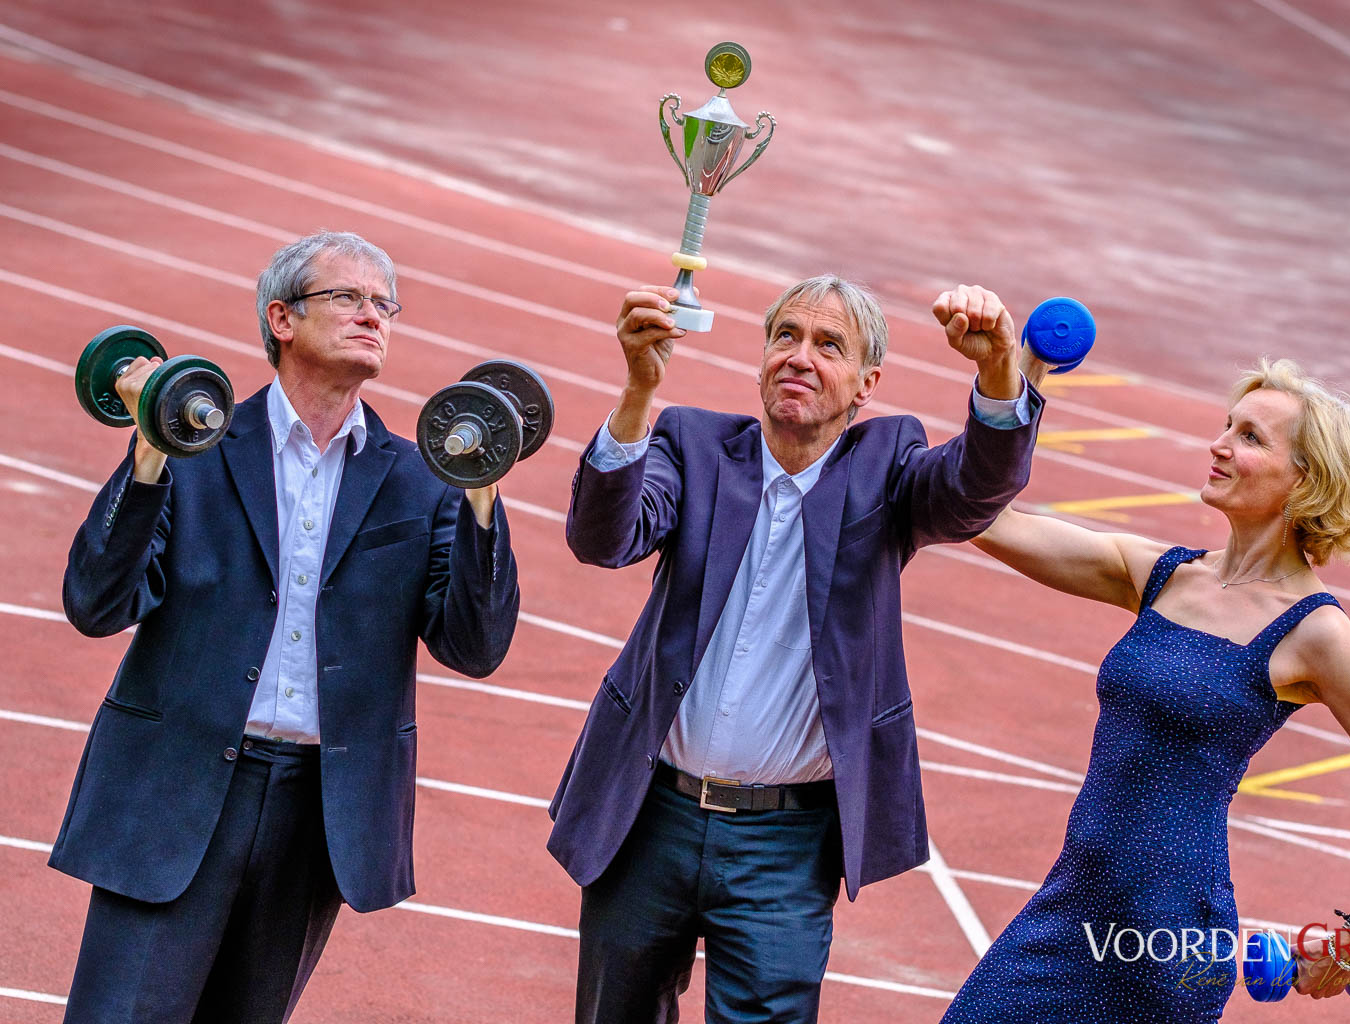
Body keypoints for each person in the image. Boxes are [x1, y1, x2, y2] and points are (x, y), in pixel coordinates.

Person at [53, 231, 521, 1023]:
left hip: (318, 813)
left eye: (384, 304)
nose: (373, 316)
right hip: (175, 792)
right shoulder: (192, 442)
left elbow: (475, 647)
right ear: (282, 318)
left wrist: (482, 494)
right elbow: (96, 603)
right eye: (348, 297)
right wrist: (149, 453)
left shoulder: (422, 481)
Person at [551, 278, 1045, 1021]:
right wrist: (638, 393)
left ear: (866, 385)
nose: (800, 356)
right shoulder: (693, 444)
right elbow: (602, 538)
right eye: (785, 336)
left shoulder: (888, 466)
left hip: (785, 844)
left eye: (829, 345)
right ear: (761, 358)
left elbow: (976, 487)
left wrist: (998, 367)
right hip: (648, 816)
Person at [942, 358, 1350, 1022]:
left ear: (1305, 480)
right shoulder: (1159, 575)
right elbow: (983, 518)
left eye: (1250, 437)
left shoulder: (1317, 633)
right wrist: (1017, 382)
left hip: (1172, 937)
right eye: (1227, 426)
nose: (1219, 444)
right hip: (1071, 905)